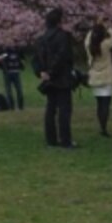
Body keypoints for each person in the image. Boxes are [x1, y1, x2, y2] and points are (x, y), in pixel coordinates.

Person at [32, 8, 78, 148]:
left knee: (50, 109)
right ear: (59, 21)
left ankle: (51, 140)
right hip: (62, 78)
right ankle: (65, 140)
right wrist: (52, 72)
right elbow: (63, 56)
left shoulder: (41, 39)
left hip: (48, 79)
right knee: (64, 110)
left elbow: (36, 59)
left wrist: (41, 72)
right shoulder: (63, 36)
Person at [85, 20, 112, 137]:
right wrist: (107, 26)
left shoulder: (89, 46)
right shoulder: (105, 44)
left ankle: (101, 126)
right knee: (106, 104)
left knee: (99, 104)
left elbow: (88, 38)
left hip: (95, 77)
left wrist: (92, 29)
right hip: (107, 76)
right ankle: (104, 128)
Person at [0, 44, 26, 111]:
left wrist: (22, 65)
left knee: (19, 90)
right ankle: (11, 107)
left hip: (16, 72)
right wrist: (3, 67)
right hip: (8, 73)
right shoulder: (5, 52)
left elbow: (22, 58)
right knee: (9, 91)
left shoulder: (17, 51)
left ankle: (20, 106)